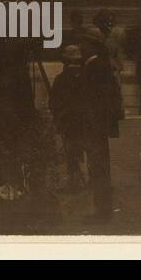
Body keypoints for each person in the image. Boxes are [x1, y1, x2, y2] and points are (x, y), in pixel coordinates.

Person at [78, 30, 124, 222]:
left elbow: (99, 98)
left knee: (99, 167)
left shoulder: (95, 66)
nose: (82, 47)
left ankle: (103, 211)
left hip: (95, 124)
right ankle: (102, 209)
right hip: (97, 123)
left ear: (93, 46)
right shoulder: (98, 65)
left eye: (85, 44)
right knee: (98, 167)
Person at [50, 45, 86, 192]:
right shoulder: (86, 76)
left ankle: (74, 180)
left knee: (70, 150)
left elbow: (54, 101)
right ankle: (84, 179)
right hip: (83, 119)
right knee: (82, 149)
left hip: (68, 120)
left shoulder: (61, 78)